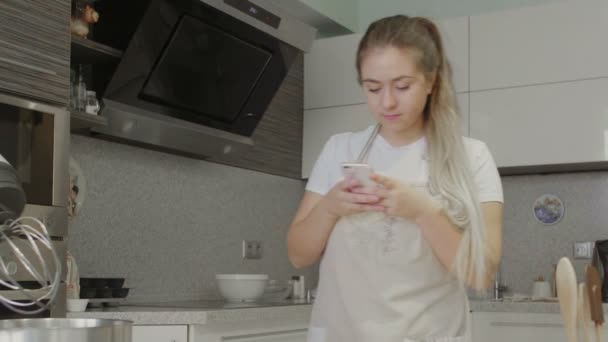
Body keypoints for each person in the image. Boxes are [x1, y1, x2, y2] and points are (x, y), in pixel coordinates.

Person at [287, 15, 504, 342]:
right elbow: (298, 255)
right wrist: (329, 207)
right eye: (372, 88)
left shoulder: (472, 157)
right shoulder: (340, 149)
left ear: (431, 81)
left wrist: (423, 212)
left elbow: (481, 273)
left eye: (402, 86)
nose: (386, 101)